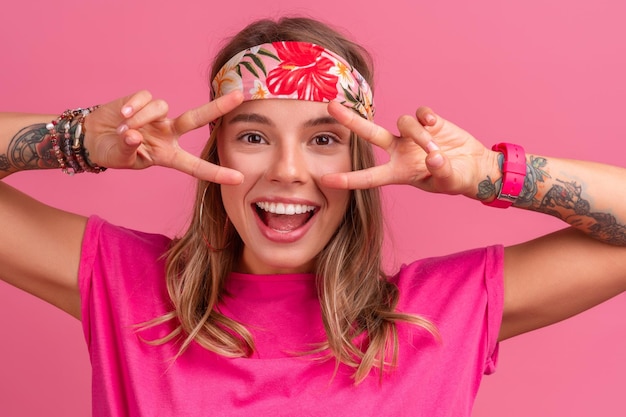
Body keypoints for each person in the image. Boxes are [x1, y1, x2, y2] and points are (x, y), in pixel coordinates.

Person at [1, 16, 624, 417]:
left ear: (361, 167)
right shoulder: (127, 287)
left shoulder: (439, 316)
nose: (288, 171)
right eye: (253, 136)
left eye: (324, 140)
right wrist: (77, 139)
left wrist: (487, 171)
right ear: (215, 151)